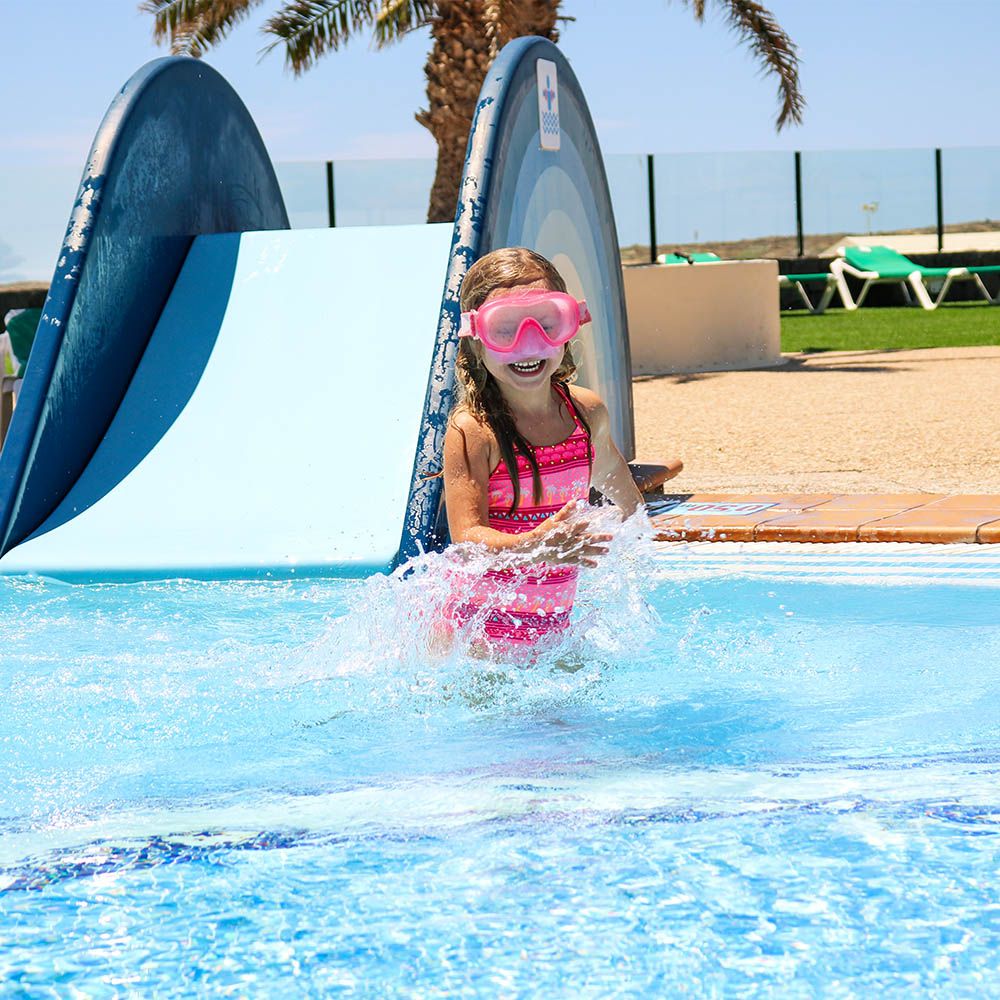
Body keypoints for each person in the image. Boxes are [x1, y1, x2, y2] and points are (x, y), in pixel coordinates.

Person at [442, 247, 644, 651]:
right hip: (474, 647)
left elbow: (625, 500)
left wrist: (633, 547)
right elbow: (467, 540)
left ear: (571, 324)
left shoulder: (586, 415)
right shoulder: (474, 431)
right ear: (476, 339)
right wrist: (536, 545)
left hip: (550, 639)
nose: (529, 343)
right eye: (505, 328)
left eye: (547, 322)